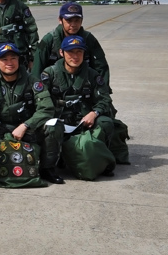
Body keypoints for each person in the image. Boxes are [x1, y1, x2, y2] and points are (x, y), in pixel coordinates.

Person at [0, 43, 65, 184]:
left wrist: (26, 125)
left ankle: (47, 168)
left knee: (53, 126)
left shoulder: (32, 81)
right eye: (4, 59)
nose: (9, 63)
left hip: (27, 131)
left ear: (19, 60)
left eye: (13, 58)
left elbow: (46, 108)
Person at [40, 35, 116, 176]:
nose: (75, 56)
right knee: (51, 127)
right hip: (59, 120)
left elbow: (105, 99)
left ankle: (100, 161)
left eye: (79, 52)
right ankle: (48, 168)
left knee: (105, 122)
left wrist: (94, 113)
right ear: (62, 53)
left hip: (83, 120)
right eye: (70, 52)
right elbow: (39, 101)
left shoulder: (92, 75)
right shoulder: (49, 74)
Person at [32, 2, 110, 84]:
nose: (73, 24)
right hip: (55, 84)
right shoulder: (49, 39)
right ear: (60, 20)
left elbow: (101, 66)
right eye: (69, 20)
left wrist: (103, 90)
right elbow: (37, 68)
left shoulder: (89, 39)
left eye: (77, 20)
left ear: (82, 20)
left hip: (83, 83)